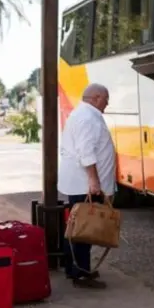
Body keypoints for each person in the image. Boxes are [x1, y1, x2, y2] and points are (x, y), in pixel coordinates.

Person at [58, 83, 115, 289]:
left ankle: (76, 268)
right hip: (84, 184)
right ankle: (79, 272)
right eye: (106, 99)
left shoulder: (85, 115)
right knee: (83, 228)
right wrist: (93, 180)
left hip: (84, 184)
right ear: (97, 97)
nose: (107, 104)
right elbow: (86, 152)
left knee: (79, 227)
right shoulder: (87, 117)